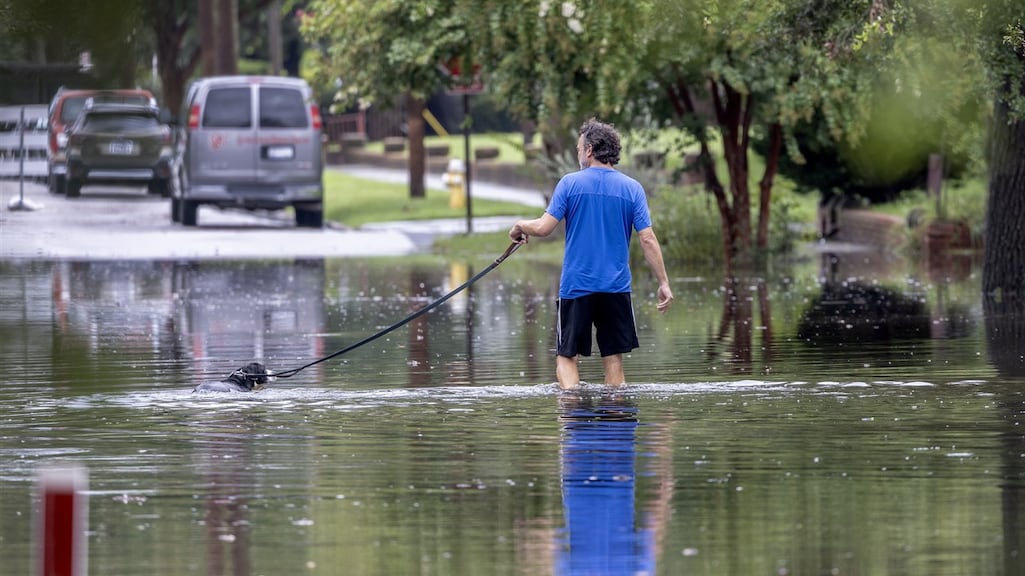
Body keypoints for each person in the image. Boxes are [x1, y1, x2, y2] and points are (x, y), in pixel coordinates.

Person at [509, 118, 673, 389]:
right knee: (613, 358)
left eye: (578, 149)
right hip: (616, 288)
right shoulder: (632, 188)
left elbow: (543, 228)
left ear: (589, 150)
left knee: (567, 356)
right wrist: (663, 282)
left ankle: (572, 409)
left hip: (577, 286)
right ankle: (616, 411)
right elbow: (647, 238)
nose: (577, 154)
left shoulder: (569, 184)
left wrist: (519, 226)